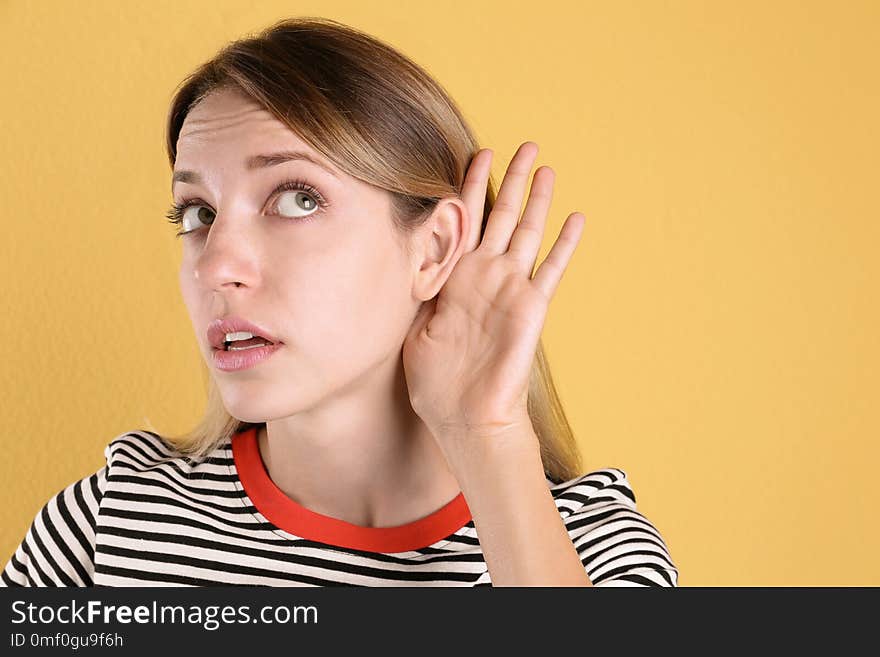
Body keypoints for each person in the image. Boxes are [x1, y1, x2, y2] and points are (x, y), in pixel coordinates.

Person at [1, 17, 678, 587]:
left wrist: (486, 439)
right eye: (197, 212)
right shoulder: (110, 525)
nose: (217, 265)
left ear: (434, 249)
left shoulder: (590, 546)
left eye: (297, 198)